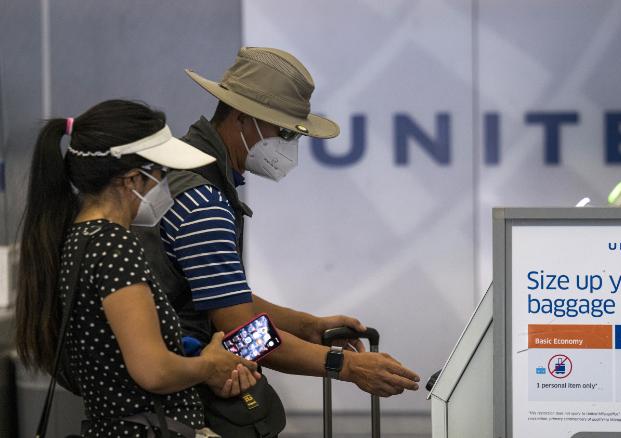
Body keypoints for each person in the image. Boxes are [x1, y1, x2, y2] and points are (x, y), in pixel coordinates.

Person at [134, 47, 419, 435]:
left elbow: (219, 296)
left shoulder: (182, 172)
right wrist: (344, 365)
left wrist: (307, 325)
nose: (289, 146)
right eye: (284, 132)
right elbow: (241, 335)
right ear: (242, 118)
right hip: (169, 407)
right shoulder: (203, 202)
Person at [15, 99, 261, 437]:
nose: (167, 185)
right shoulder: (115, 245)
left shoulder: (77, 238)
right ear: (131, 179)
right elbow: (153, 370)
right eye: (161, 173)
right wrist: (210, 366)